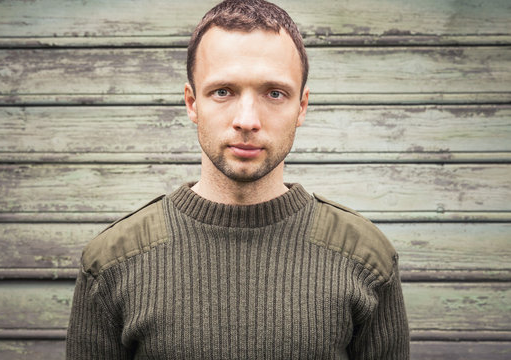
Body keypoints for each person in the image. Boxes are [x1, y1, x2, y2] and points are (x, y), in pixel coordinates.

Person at [66, 0, 410, 358]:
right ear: (192, 102)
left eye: (274, 93)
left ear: (302, 107)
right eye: (223, 92)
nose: (247, 119)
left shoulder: (367, 258)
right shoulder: (109, 263)